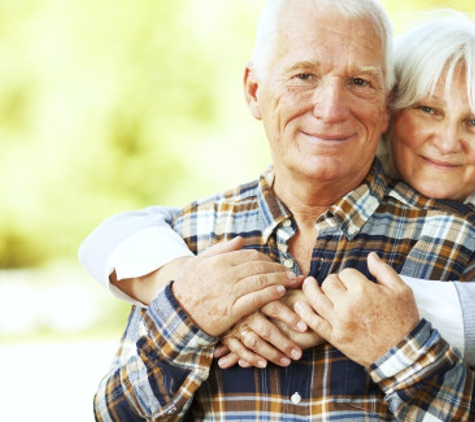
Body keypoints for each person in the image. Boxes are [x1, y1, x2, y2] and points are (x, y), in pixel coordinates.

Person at [90, 1, 475, 420]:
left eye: (360, 82)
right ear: (254, 91)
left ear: (384, 107)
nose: (330, 108)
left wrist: (401, 347)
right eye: (304, 76)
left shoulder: (462, 240)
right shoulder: (186, 239)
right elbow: (113, 413)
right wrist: (187, 315)